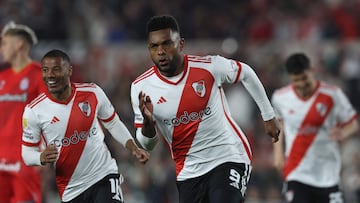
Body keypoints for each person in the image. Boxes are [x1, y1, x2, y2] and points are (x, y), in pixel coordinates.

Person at [130, 15, 280, 203]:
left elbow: (246, 73)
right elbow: (146, 144)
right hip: (188, 171)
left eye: (167, 44)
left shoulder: (209, 67)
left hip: (228, 155)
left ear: (181, 44)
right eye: (154, 46)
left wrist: (268, 115)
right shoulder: (140, 87)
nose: (161, 51)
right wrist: (148, 124)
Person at [21, 49, 150, 203]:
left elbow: (113, 123)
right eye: (45, 70)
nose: (50, 75)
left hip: (103, 175)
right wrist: (40, 157)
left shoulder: (92, 93)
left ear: (69, 71)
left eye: (56, 69)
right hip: (71, 189)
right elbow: (27, 153)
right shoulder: (34, 110)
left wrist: (133, 147)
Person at [271, 52, 359, 203]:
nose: (301, 84)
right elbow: (278, 125)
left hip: (328, 172)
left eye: (304, 78)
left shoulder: (333, 94)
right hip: (296, 171)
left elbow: (353, 124)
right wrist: (278, 153)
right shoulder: (280, 98)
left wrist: (342, 133)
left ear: (312, 71)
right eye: (296, 80)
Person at [0, 21, 45, 203]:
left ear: (19, 44)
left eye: (4, 43)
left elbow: (52, 112)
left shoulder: (39, 75)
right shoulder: (2, 78)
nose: (2, 48)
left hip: (24, 160)